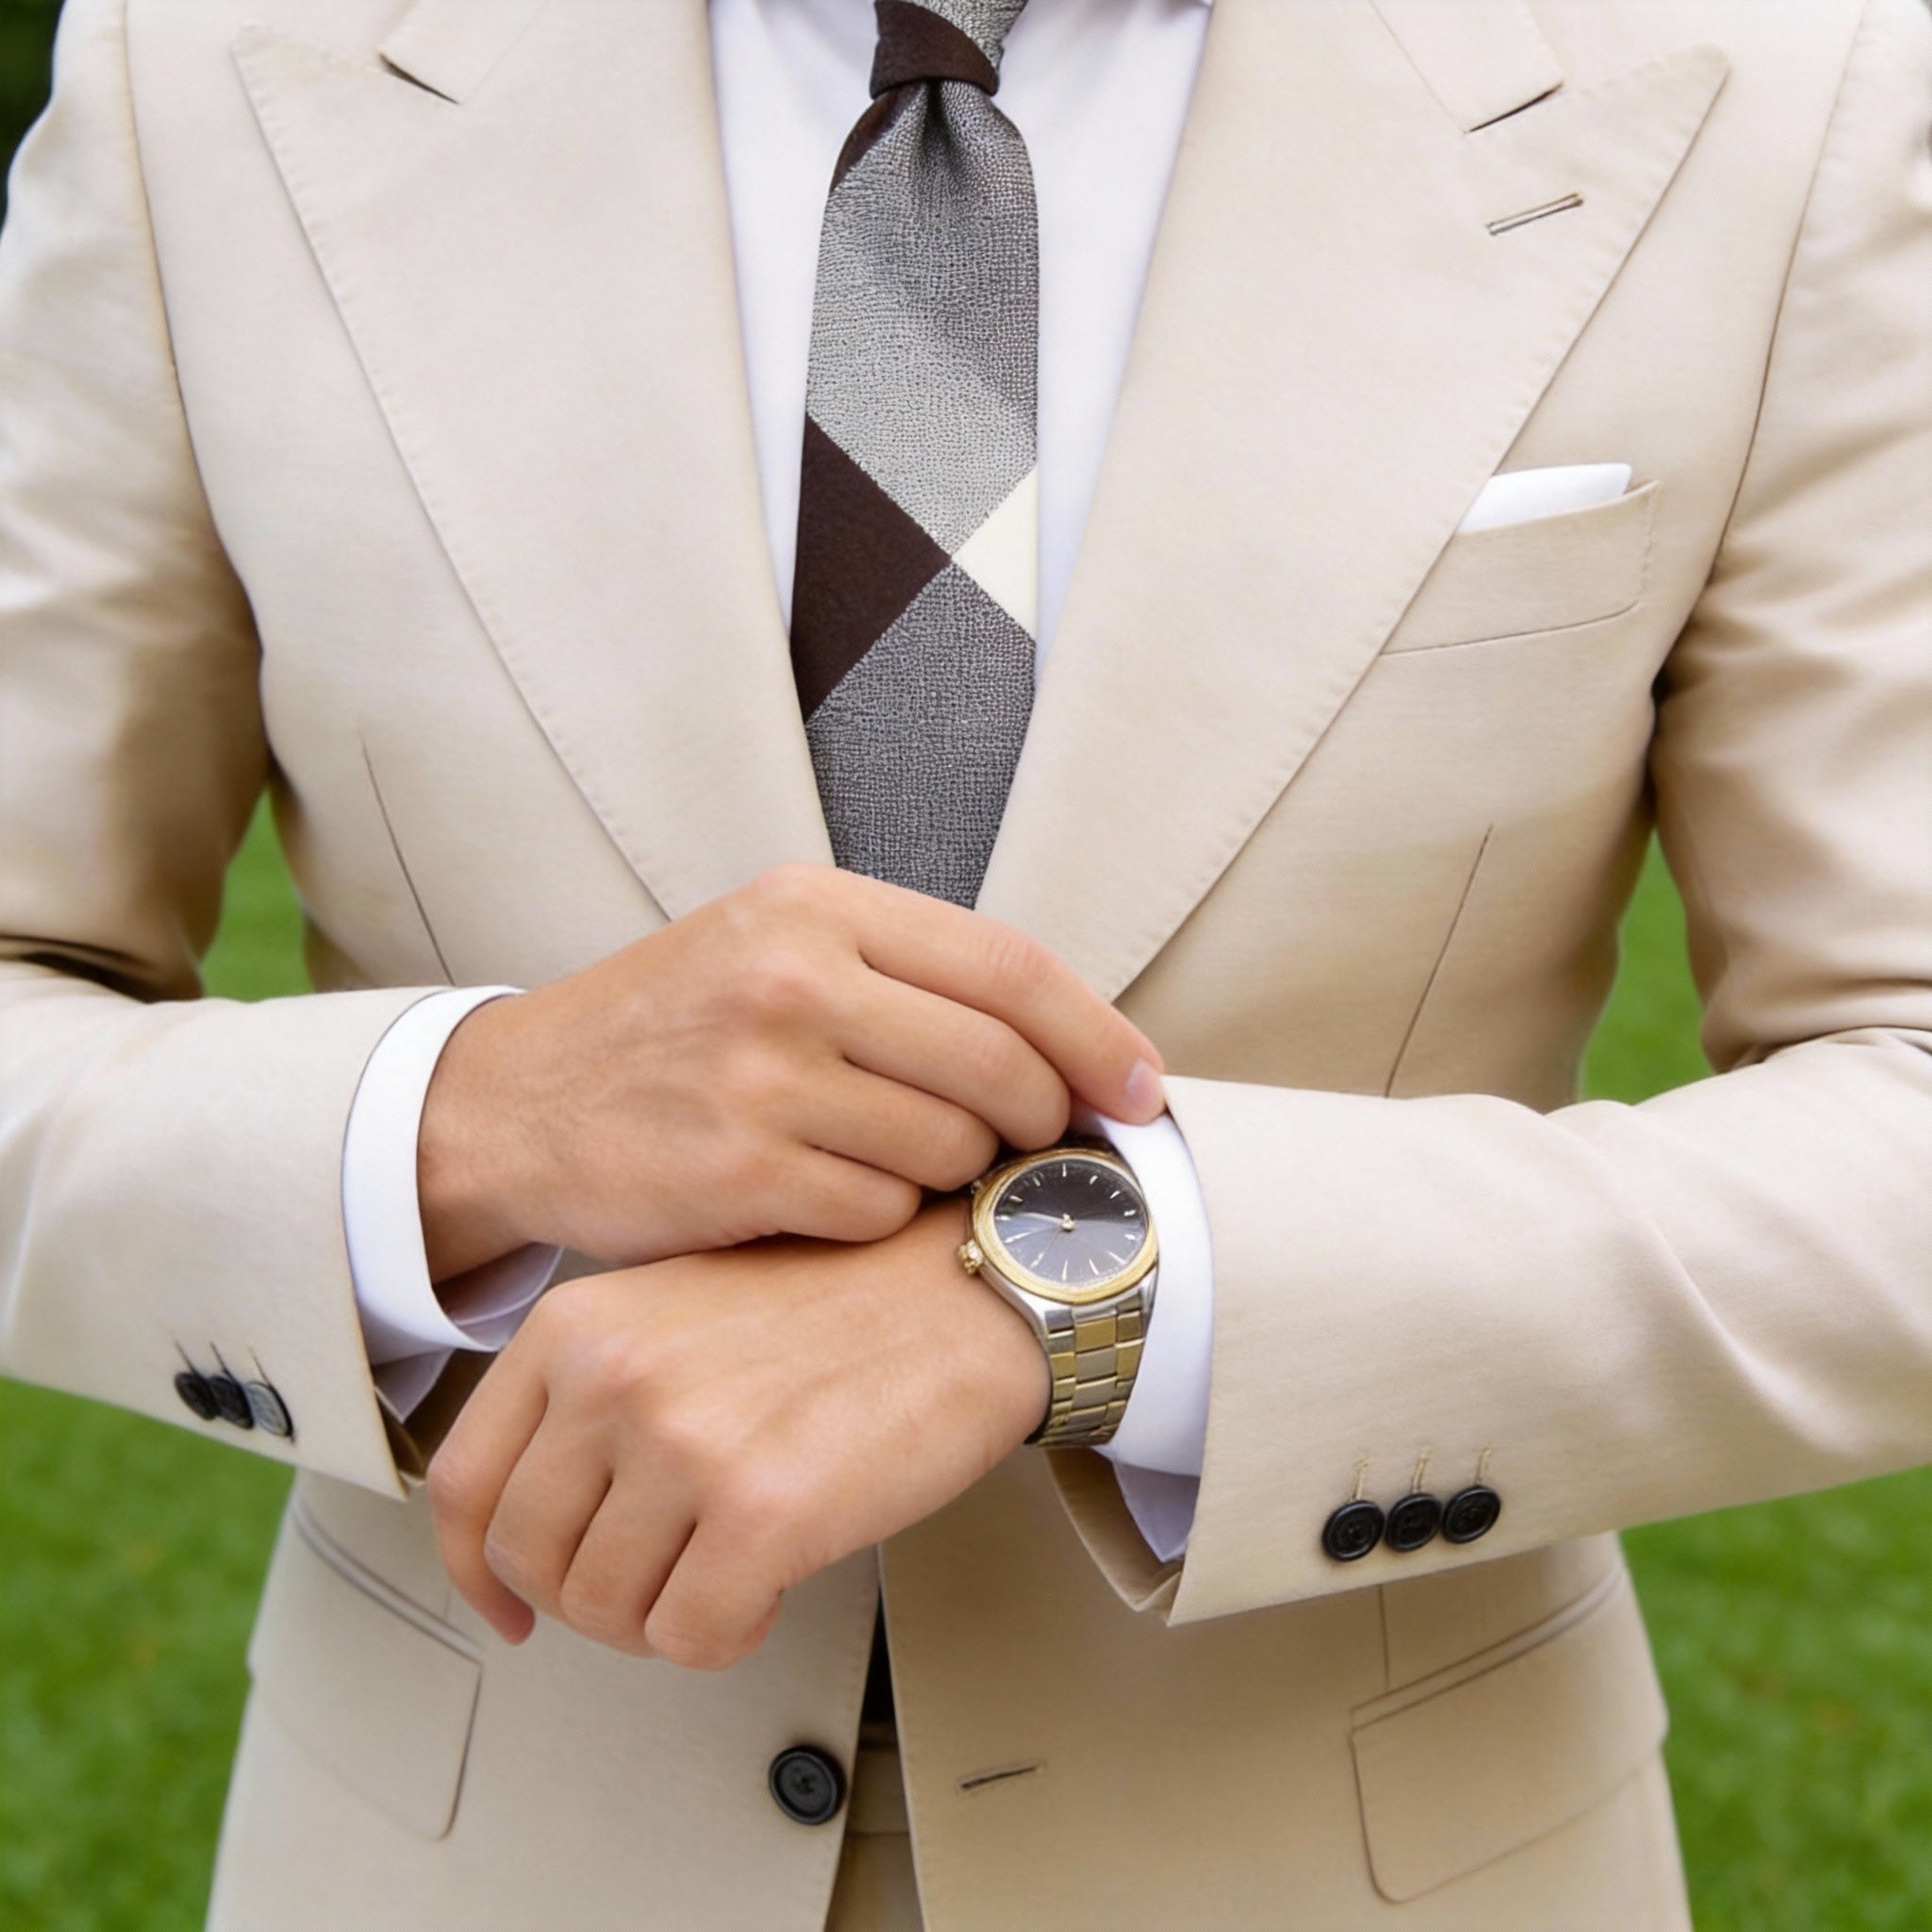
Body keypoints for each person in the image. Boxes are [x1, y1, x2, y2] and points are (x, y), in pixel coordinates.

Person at [1, 0, 1927, 1925]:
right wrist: (468, 1121)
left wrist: (1083, 1296)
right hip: (462, 1845)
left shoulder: (1792, 76)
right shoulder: (207, 63)